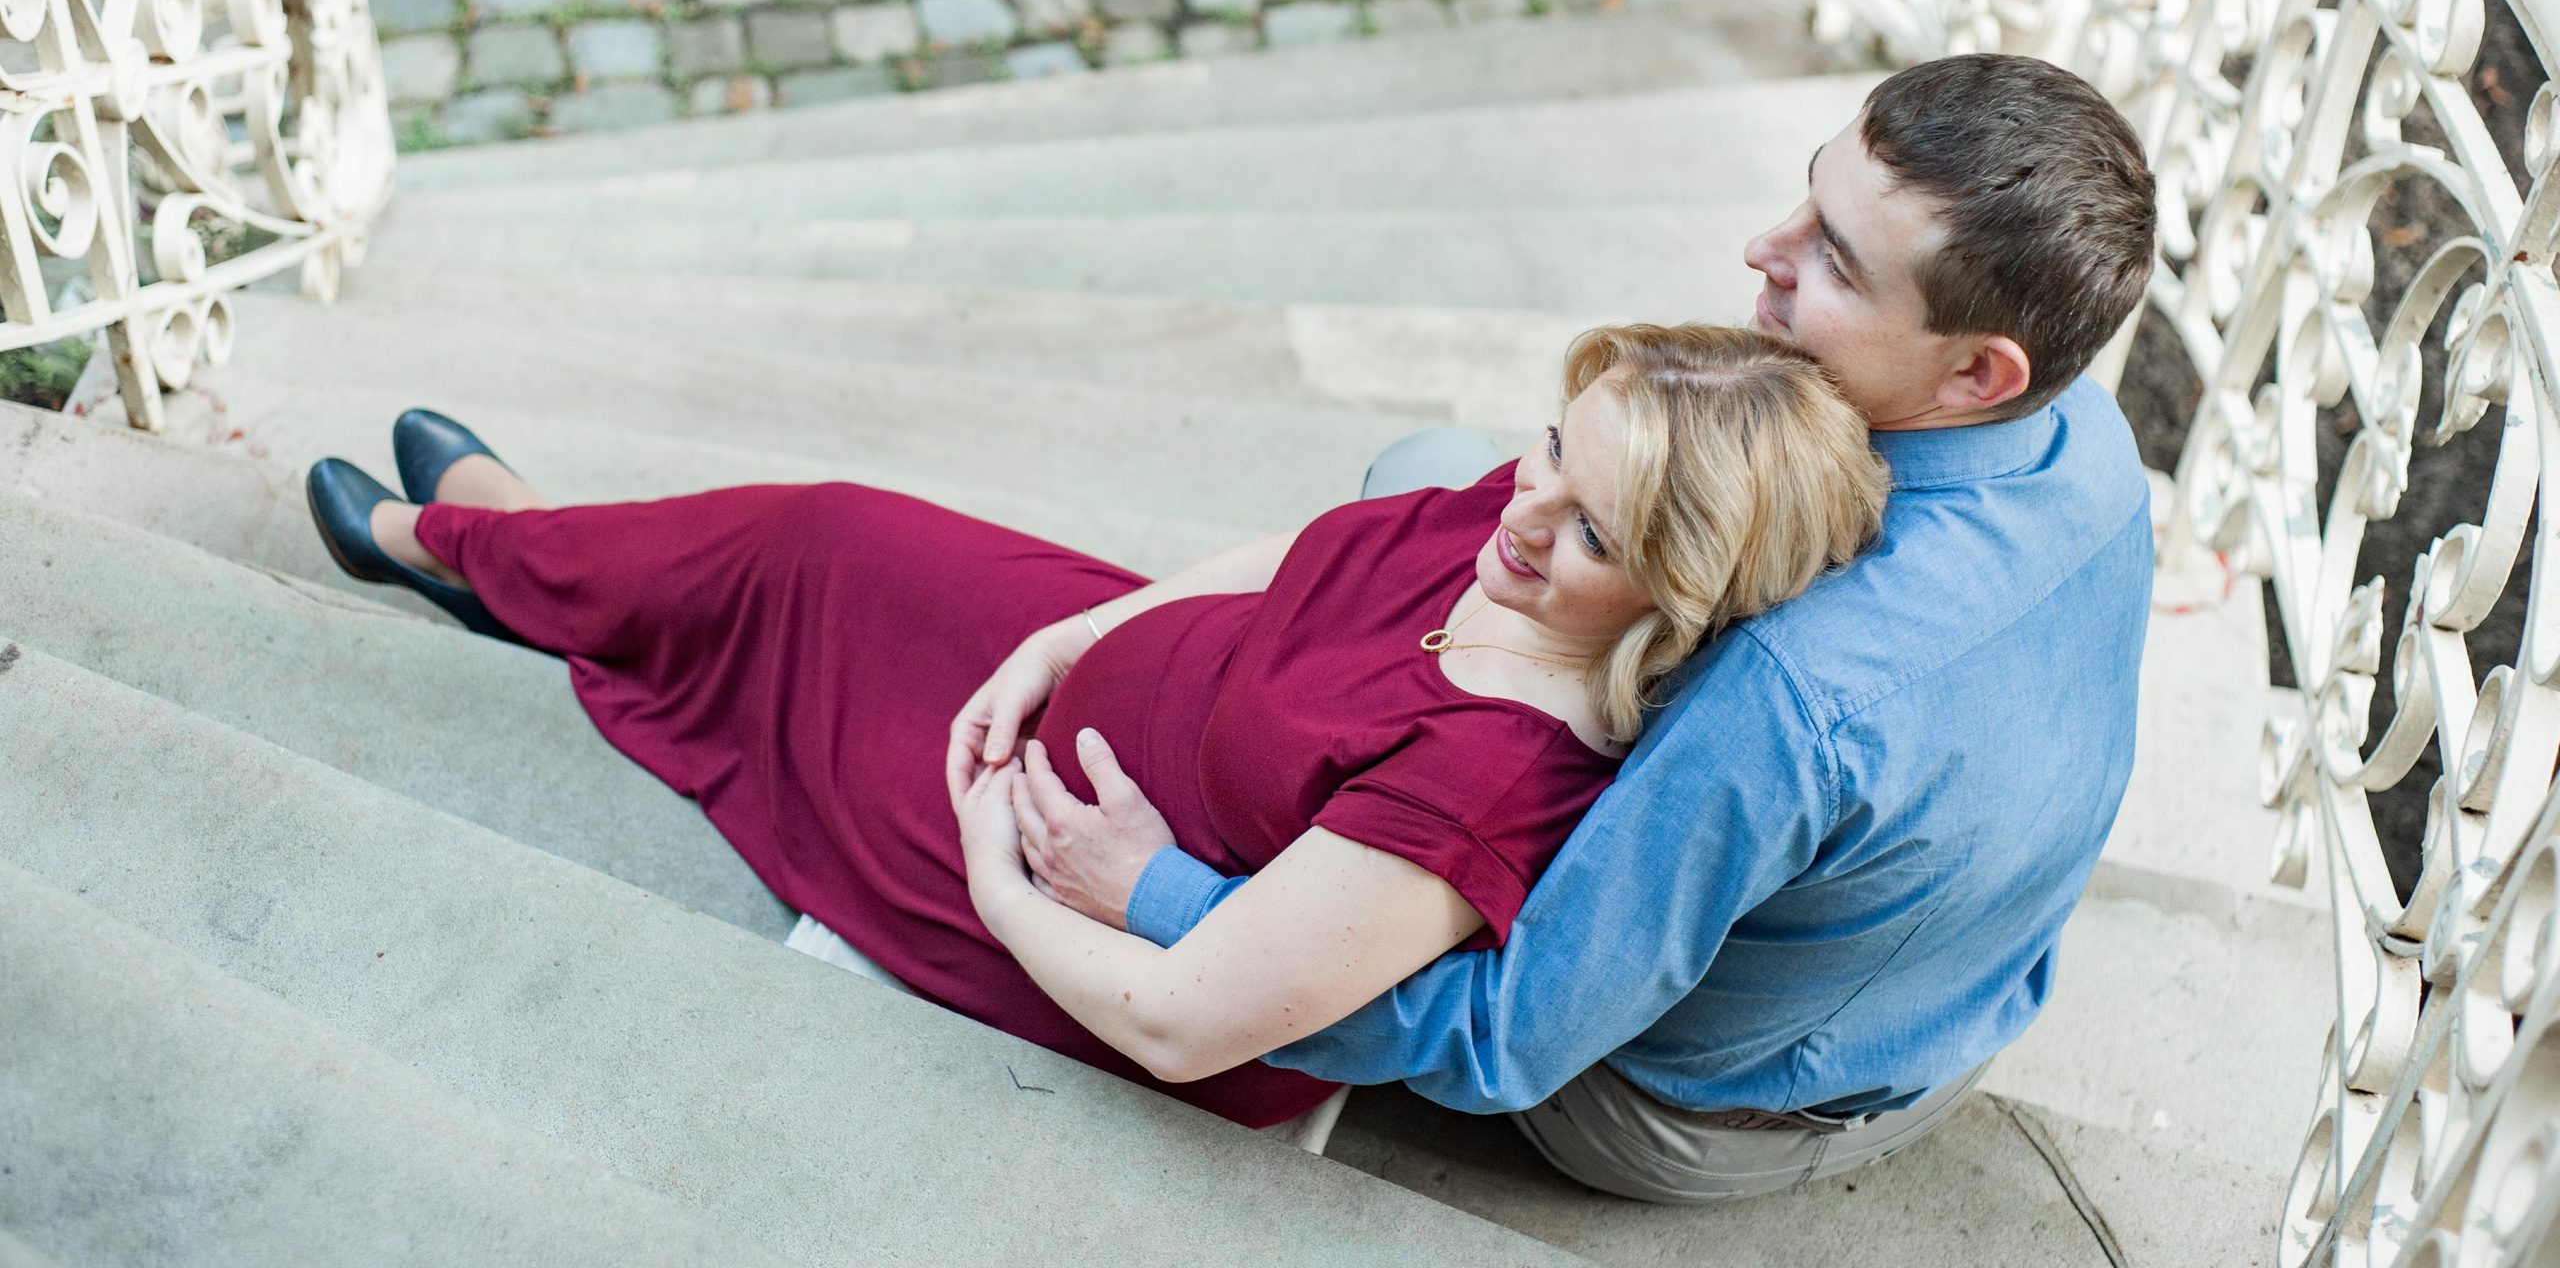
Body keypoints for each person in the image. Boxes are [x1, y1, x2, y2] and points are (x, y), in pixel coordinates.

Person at [992, 52, 2162, 1201]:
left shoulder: (1791, 685)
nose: (1763, 250)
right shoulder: (2082, 433)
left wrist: (1167, 902)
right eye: (1806, 192)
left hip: (1690, 1106)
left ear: (1977, 375)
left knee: (1429, 719)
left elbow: (1506, 1034)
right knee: (1440, 481)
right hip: (1938, 991)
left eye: (1835, 265)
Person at [302, 323, 1887, 1130]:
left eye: (1594, 532)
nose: (1527, 511)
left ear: (1674, 598)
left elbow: (1191, 1021)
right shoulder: (1528, 517)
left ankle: (474, 556)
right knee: (830, 536)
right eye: (1551, 446)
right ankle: (537, 558)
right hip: (1121, 674)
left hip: (1065, 885)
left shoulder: (1487, 782)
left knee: (773, 685)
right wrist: (1077, 630)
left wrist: (1004, 870)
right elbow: (1308, 559)